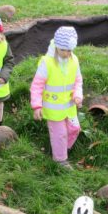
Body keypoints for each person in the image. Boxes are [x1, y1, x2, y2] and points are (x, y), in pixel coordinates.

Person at [30, 27, 83, 169]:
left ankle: (62, 148)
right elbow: (36, 85)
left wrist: (78, 95)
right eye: (63, 50)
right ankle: (60, 161)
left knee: (74, 129)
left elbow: (78, 80)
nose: (66, 54)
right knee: (59, 134)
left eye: (69, 51)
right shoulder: (47, 63)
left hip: (69, 107)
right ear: (56, 47)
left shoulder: (74, 60)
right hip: (53, 110)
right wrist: (37, 106)